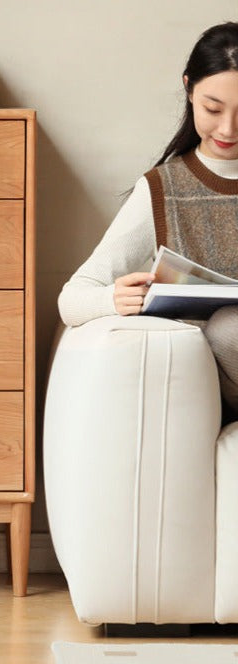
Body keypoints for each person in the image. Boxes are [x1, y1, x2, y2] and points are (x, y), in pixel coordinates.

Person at [58, 21, 238, 416]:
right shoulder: (163, 188)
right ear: (189, 89)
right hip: (221, 381)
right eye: (213, 108)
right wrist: (114, 299)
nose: (228, 129)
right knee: (229, 328)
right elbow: (70, 301)